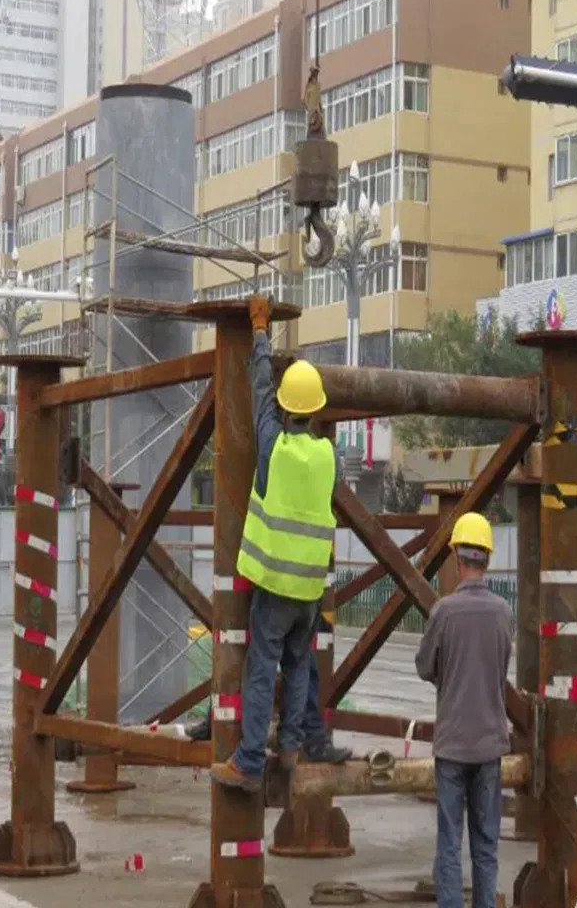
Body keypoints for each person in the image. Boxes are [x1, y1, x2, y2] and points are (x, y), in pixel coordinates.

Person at [209, 296, 339, 792]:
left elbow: (259, 388)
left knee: (262, 666)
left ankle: (247, 761)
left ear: (287, 410)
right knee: (299, 662)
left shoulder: (273, 448)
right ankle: (290, 746)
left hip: (275, 585)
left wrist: (259, 333)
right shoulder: (329, 457)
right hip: (310, 589)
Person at [414, 513, 512, 908]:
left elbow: (424, 666)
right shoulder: (504, 612)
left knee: (450, 848)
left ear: (457, 558)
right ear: (486, 559)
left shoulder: (444, 612)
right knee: (486, 849)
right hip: (490, 747)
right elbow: (501, 666)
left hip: (452, 746)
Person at [186, 607, 352, 766]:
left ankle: (252, 753)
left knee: (260, 667)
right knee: (299, 664)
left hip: (277, 590)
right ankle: (296, 743)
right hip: (308, 594)